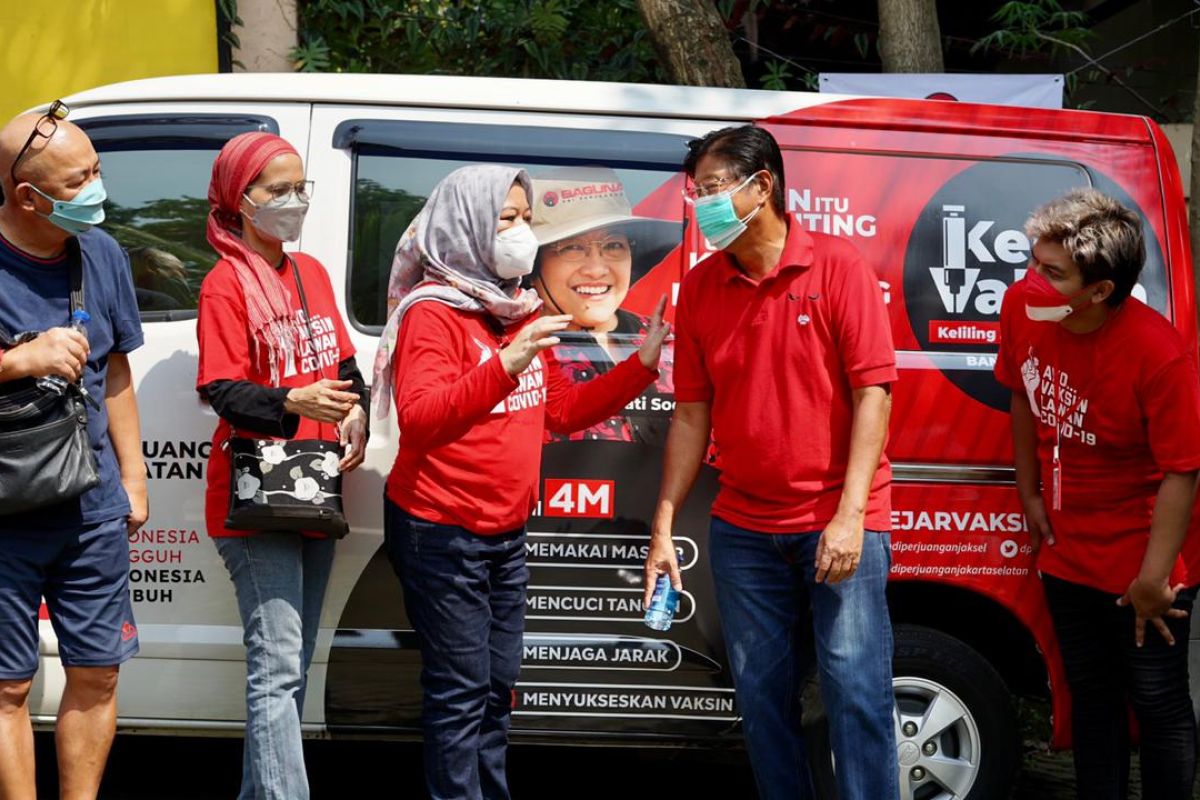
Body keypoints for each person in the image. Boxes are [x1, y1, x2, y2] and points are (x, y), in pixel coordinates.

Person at [372, 164, 668, 800]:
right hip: (440, 531)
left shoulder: (520, 308)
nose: (520, 233)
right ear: (469, 225)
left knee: (497, 685)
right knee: (460, 691)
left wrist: (642, 366)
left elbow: (560, 411)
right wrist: (507, 363)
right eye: (506, 219)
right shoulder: (435, 313)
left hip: (503, 534)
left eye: (526, 219)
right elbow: (421, 420)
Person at [643, 125, 898, 800]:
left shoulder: (837, 268)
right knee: (761, 699)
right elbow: (692, 415)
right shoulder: (699, 288)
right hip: (745, 528)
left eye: (714, 189)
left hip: (838, 522)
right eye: (696, 193)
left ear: (764, 187)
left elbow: (874, 396)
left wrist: (848, 519)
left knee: (856, 695)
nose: (702, 205)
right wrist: (665, 527)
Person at [995, 188, 1200, 800]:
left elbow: (1183, 471)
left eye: (1051, 272)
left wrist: (1152, 580)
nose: (1032, 281)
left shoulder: (1157, 354)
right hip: (1067, 549)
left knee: (1158, 704)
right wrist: (1029, 492)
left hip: (1143, 561)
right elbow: (1021, 394)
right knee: (1091, 696)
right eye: (1033, 262)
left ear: (1100, 290)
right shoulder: (1026, 307)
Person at [196, 131, 368, 800]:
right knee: (276, 669)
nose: (294, 201)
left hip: (316, 484)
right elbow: (220, 390)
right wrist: (291, 398)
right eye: (278, 190)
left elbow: (347, 368)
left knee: (289, 663)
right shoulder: (224, 283)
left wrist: (355, 413)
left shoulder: (311, 273)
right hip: (253, 493)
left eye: (301, 187)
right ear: (240, 202)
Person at [0, 103, 147, 800]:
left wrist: (134, 479)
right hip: (7, 510)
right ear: (27, 197)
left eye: (96, 170)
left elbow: (114, 369)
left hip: (92, 506)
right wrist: (18, 360)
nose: (96, 187)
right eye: (77, 180)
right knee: (7, 685)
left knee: (99, 671)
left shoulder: (102, 252)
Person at [529, 166, 678, 442]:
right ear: (533, 267)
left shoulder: (669, 344)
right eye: (572, 248)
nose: (597, 269)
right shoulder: (517, 349)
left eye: (612, 246)